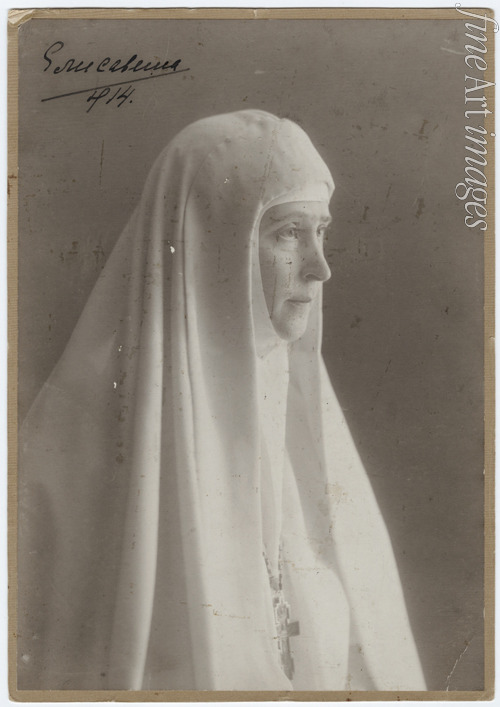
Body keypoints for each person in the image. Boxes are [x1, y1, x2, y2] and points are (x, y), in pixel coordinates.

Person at [18, 110, 426, 691]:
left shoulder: (304, 426)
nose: (321, 268)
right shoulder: (68, 447)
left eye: (322, 231)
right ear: (211, 240)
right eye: (289, 233)